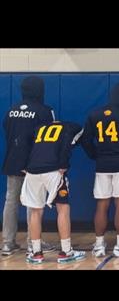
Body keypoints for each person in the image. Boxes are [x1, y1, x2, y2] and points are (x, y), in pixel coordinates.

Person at [83, 82, 119, 258]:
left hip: (102, 165)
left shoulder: (94, 114)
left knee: (102, 205)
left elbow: (85, 140)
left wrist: (95, 155)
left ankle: (99, 245)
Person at [2, 76, 57, 256]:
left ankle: (8, 243)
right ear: (40, 90)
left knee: (11, 201)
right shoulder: (45, 111)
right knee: (32, 203)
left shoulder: (11, 110)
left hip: (12, 161)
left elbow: (8, 133)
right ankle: (32, 243)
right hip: (34, 162)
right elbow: (49, 138)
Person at [21, 119, 86, 264]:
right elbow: (67, 143)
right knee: (63, 208)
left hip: (32, 170)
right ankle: (66, 252)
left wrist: (24, 164)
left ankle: (36, 253)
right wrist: (64, 163)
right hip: (53, 170)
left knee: (35, 211)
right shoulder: (71, 126)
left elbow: (25, 144)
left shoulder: (39, 127)